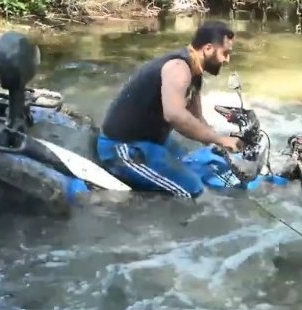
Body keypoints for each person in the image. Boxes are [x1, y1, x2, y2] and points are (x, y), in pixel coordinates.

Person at [95, 21, 242, 199]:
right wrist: (219, 139)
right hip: (122, 147)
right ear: (208, 48)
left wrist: (221, 145)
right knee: (193, 189)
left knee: (192, 164)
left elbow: (197, 118)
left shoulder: (194, 73)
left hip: (151, 142)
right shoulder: (178, 68)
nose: (227, 60)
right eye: (225, 53)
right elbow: (175, 116)